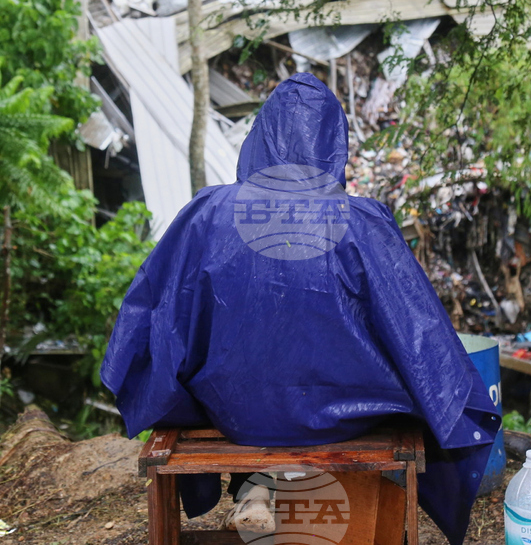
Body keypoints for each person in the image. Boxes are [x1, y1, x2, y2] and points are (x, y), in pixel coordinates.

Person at [101, 72, 499, 543]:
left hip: (235, 415)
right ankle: (311, 506)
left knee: (209, 378)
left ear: (260, 138)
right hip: (345, 418)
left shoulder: (207, 212)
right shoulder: (362, 219)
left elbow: (153, 314)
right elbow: (418, 330)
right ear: (333, 143)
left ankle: (256, 488)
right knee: (408, 391)